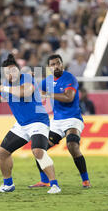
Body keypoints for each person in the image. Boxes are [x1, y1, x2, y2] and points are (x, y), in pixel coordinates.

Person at [0, 54, 61, 194]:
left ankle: (54, 184)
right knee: (3, 152)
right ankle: (8, 184)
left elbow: (24, 92)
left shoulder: (27, 78)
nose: (11, 74)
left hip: (38, 121)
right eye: (7, 72)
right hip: (22, 125)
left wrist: (4, 89)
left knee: (38, 151)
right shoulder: (7, 85)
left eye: (13, 70)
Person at [29, 54, 91, 189]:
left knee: (72, 146)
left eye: (58, 63)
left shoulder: (70, 78)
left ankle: (85, 180)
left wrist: (48, 94)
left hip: (73, 119)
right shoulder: (47, 81)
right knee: (39, 149)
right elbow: (35, 92)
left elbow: (69, 97)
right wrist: (31, 81)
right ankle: (44, 181)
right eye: (53, 64)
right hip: (56, 122)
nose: (56, 66)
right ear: (49, 67)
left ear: (62, 64)